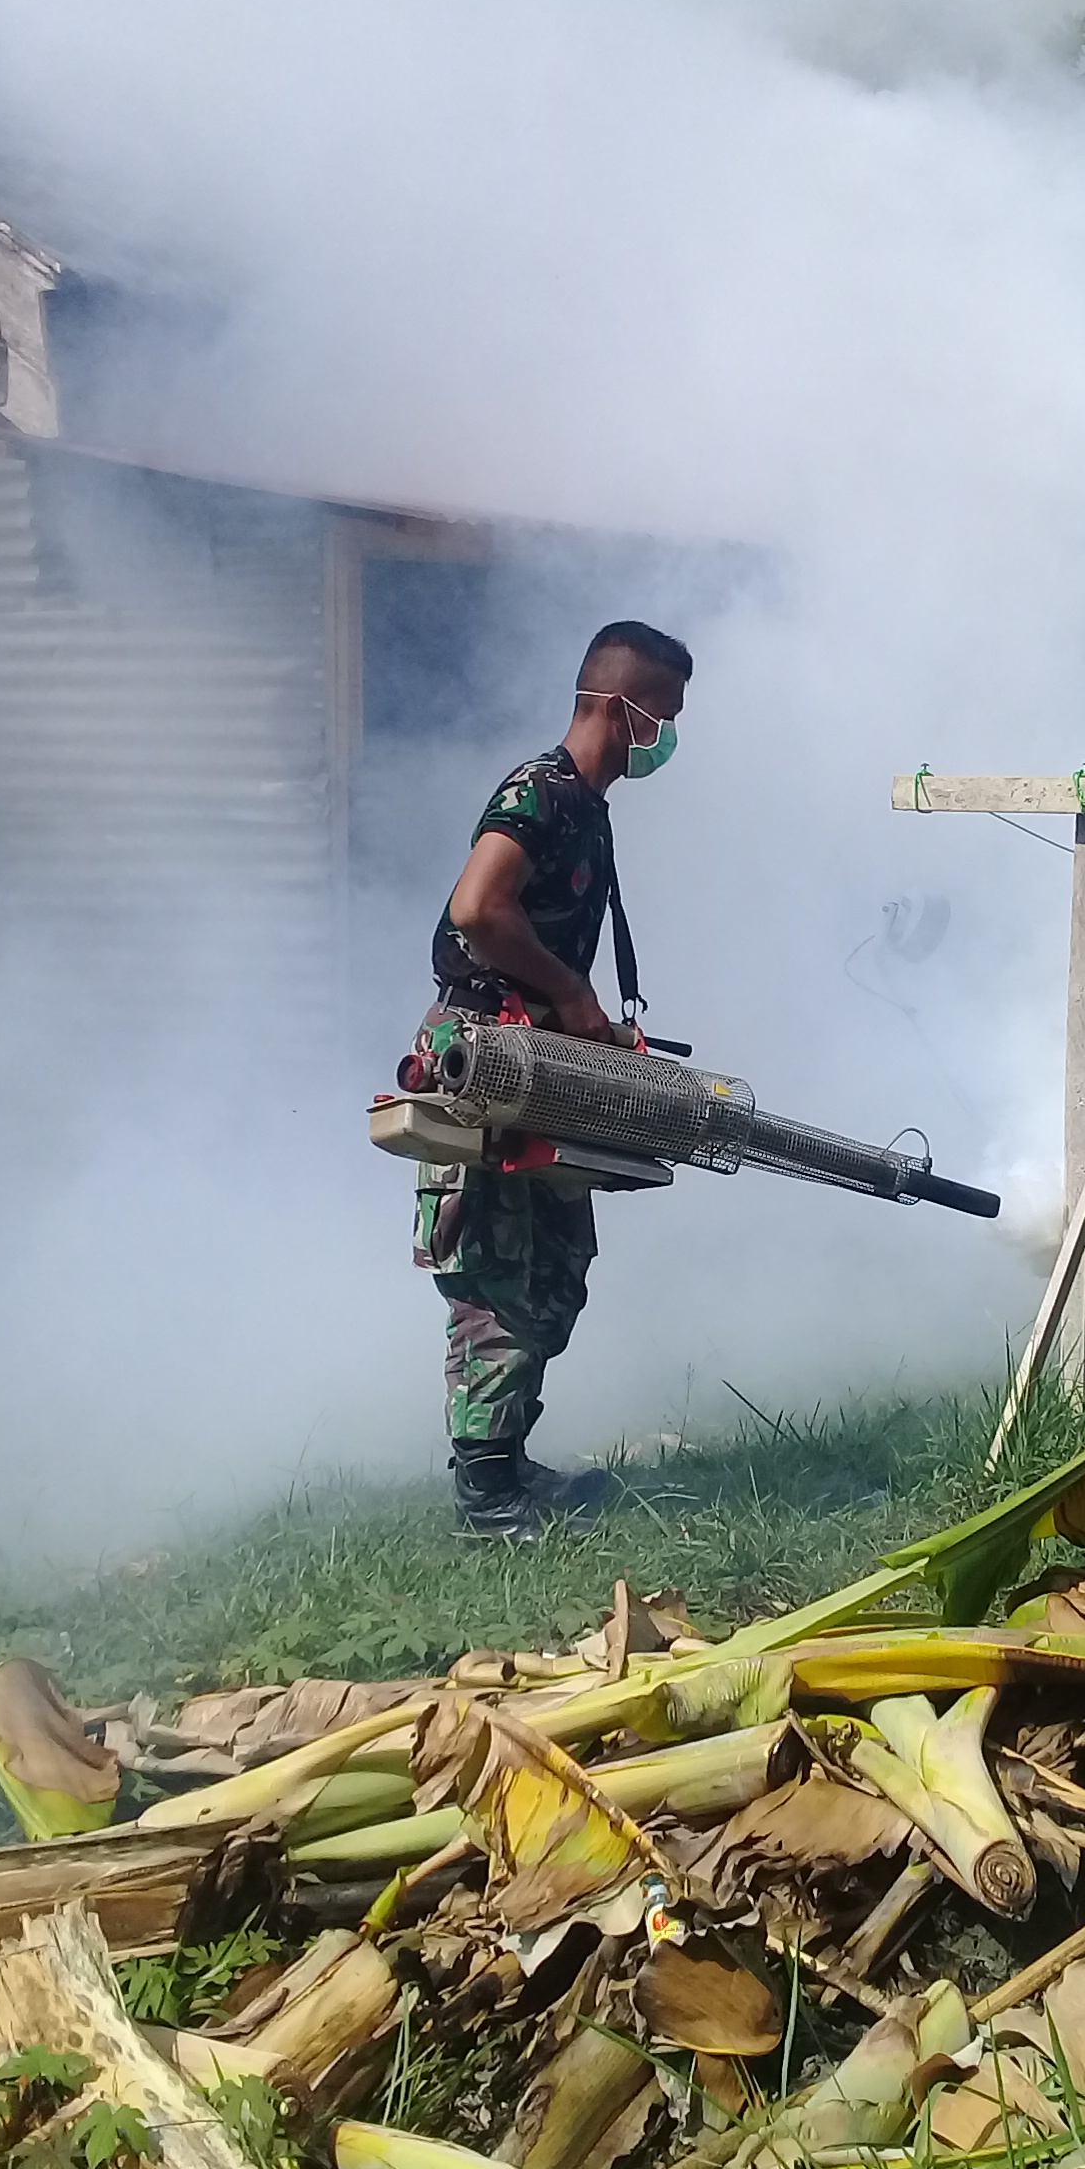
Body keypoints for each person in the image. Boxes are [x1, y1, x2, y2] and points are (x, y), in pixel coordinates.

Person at [411, 620, 690, 1541]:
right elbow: (475, 908)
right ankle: (486, 1497)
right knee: (496, 1271)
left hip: (538, 1059)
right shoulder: (540, 792)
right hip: (485, 1057)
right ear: (619, 706)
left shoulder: (587, 808)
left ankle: (510, 1456)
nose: (669, 737)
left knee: (556, 1266)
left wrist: (590, 1019)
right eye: (664, 715)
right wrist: (570, 991)